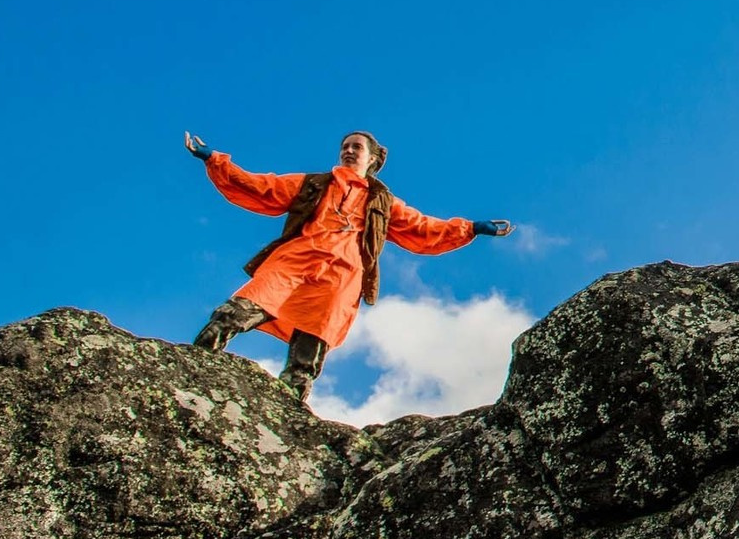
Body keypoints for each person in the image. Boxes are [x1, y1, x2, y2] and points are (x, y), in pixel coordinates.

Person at [185, 130, 511, 402]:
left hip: (341, 277)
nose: (348, 151)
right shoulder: (315, 183)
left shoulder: (381, 201)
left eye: (356, 147)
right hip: (295, 259)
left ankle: (289, 408)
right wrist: (215, 160)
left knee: (310, 348)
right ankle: (192, 366)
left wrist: (470, 228)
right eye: (344, 147)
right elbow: (261, 186)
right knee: (236, 311)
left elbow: (423, 228)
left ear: (373, 158)